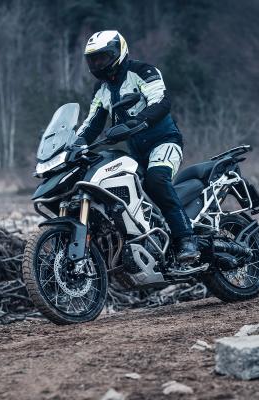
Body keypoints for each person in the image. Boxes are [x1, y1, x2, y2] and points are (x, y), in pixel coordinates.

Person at [75, 30, 199, 264]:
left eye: (103, 57)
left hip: (164, 141)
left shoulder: (143, 71)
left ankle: (186, 238)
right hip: (136, 153)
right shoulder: (101, 89)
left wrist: (137, 121)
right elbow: (92, 123)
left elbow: (161, 101)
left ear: (118, 52)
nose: (98, 63)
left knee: (156, 180)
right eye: (93, 59)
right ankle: (145, 244)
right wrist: (74, 145)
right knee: (120, 191)